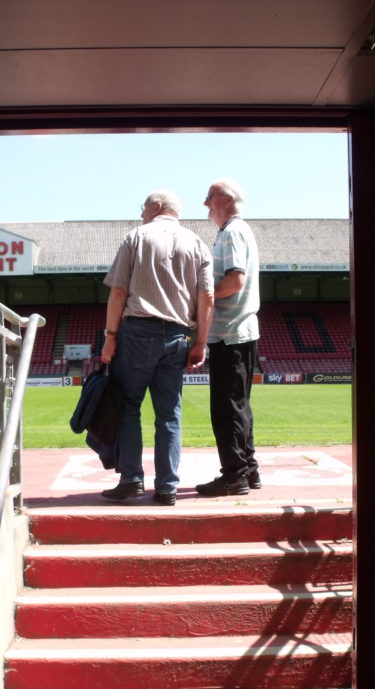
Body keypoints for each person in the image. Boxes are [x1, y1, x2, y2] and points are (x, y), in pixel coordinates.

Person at [100, 189, 214, 505]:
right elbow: (208, 298)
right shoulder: (197, 243)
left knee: (128, 405)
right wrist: (201, 342)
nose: (141, 213)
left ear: (156, 207)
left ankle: (132, 479)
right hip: (179, 336)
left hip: (138, 331)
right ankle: (167, 487)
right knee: (169, 414)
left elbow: (119, 291)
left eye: (143, 207)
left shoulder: (136, 237)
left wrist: (110, 336)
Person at [195, 178, 261, 497]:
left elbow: (234, 281)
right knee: (239, 405)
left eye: (209, 197)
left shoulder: (232, 232)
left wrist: (202, 298)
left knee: (226, 408)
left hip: (230, 334)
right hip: (240, 331)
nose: (206, 204)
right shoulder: (235, 231)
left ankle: (234, 474)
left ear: (225, 198)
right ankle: (248, 469)